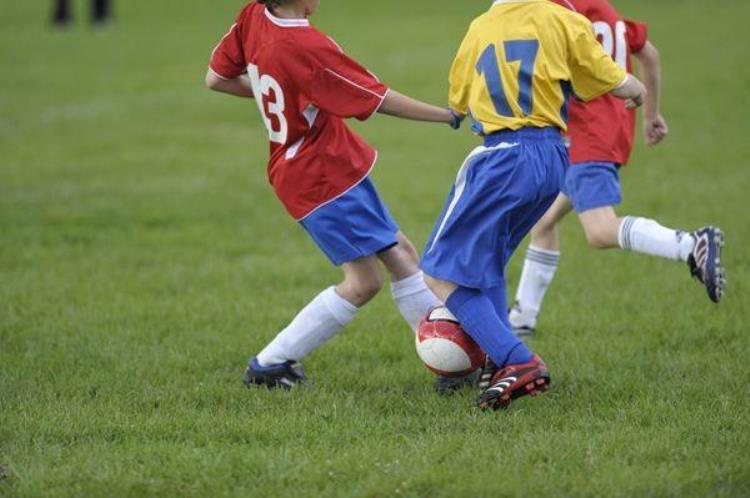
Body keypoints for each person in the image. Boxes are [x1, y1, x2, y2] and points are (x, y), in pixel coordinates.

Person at [206, 0, 460, 389]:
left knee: (402, 257)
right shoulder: (305, 45)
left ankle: (451, 364)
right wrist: (448, 116)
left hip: (320, 167)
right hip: (321, 174)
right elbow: (377, 98)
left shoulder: (254, 15)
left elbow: (216, 78)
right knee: (363, 282)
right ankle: (270, 363)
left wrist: (285, 97)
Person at [421, 0, 646, 410]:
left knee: (439, 272)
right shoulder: (564, 19)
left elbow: (458, 102)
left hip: (503, 154)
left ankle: (516, 360)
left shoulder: (480, 26)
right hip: (554, 158)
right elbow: (609, 77)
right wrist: (637, 90)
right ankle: (494, 359)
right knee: (488, 259)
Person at [508, 0, 726, 336]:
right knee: (544, 220)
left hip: (584, 136)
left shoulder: (559, 10)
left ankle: (690, 244)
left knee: (599, 230)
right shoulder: (604, 9)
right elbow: (649, 54)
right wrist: (651, 115)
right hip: (612, 131)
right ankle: (522, 319)